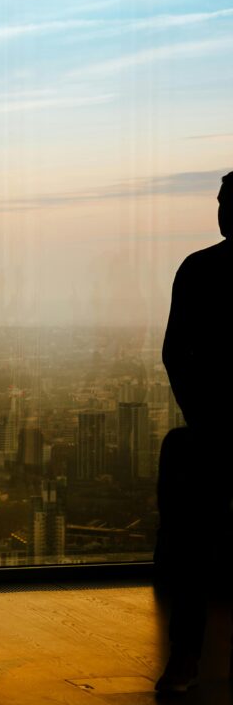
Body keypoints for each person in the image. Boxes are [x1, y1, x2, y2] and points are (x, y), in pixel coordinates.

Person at [156, 171, 233, 694]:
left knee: (192, 553)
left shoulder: (200, 268)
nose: (221, 210)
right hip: (214, 425)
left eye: (226, 201)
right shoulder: (201, 267)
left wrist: (196, 409)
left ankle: (184, 661)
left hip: (208, 427)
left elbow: (173, 351)